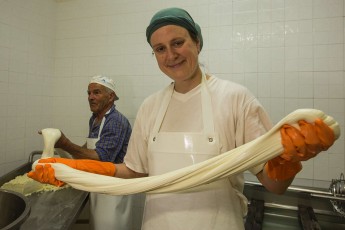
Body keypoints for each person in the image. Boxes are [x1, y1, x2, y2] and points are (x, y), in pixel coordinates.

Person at [29, 8, 336, 230]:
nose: (170, 55)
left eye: (178, 43)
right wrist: (76, 169)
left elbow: (274, 186)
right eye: (159, 49)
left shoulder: (236, 98)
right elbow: (135, 173)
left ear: (197, 43)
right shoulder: (151, 106)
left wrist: (285, 161)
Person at [50, 75, 133, 230]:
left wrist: (66, 144)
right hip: (98, 184)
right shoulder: (95, 118)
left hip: (113, 188)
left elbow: (102, 157)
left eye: (96, 92)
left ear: (111, 97)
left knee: (109, 225)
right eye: (88, 93)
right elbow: (89, 147)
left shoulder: (115, 121)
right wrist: (62, 151)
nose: (90, 97)